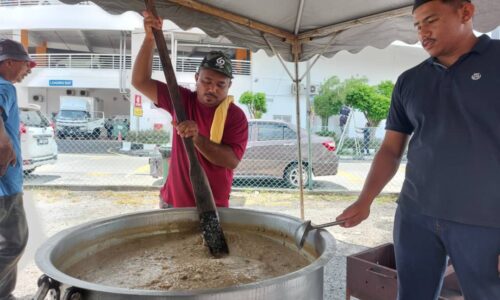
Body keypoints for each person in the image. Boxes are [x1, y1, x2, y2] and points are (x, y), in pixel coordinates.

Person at [336, 1, 500, 299]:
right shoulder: (410, 81)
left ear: (465, 12)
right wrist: (364, 200)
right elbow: (390, 149)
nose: (422, 33)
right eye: (417, 26)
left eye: (431, 21)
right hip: (415, 216)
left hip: (486, 222)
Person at [132, 11, 248, 209]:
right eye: (207, 81)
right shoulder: (181, 99)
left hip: (214, 207)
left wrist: (196, 138)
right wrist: (149, 39)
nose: (212, 88)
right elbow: (140, 81)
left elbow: (231, 161)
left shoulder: (235, 116)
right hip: (173, 202)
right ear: (197, 78)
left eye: (221, 84)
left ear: (229, 86)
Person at [0, 39, 36, 300]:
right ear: (8, 62)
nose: (28, 69)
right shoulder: (4, 88)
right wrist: (3, 144)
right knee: (14, 242)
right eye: (25, 64)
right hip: (5, 187)